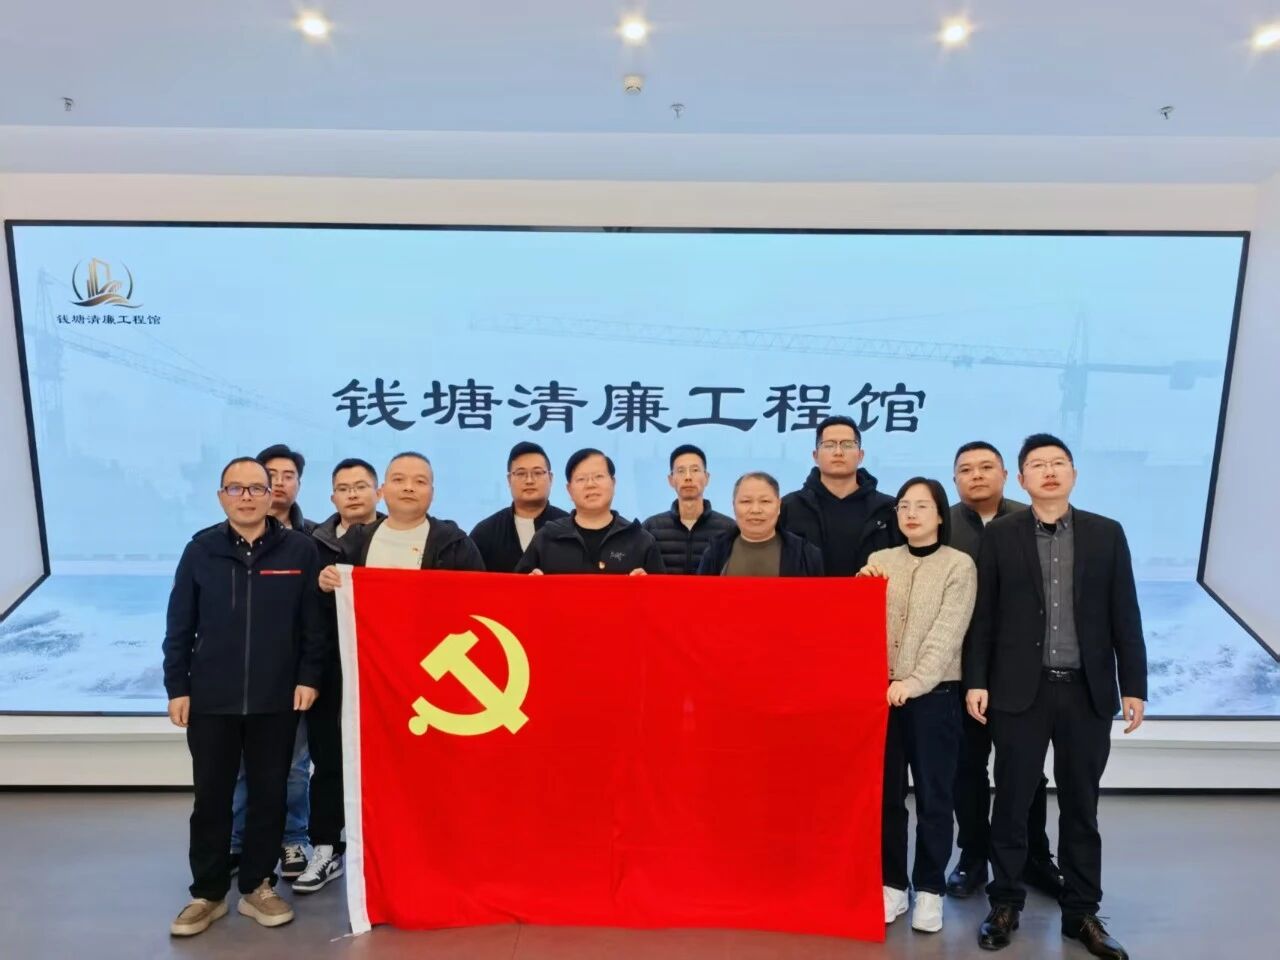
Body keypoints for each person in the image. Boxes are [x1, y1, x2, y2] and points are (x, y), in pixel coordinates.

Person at [965, 434, 1147, 959]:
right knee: (1012, 801)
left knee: (1081, 805)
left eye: (1058, 463)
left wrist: (1134, 685)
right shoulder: (1001, 536)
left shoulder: (1106, 533)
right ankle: (1005, 903)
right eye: (1038, 465)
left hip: (1087, 692)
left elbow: (1125, 613)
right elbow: (984, 615)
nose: (1049, 471)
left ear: (1073, 473)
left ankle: (1082, 913)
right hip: (1019, 692)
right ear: (1021, 479)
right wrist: (977, 679)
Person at [163, 457, 325, 936]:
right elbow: (179, 624)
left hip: (277, 699)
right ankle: (208, 893)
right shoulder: (201, 549)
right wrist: (177, 687)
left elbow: (313, 625)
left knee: (269, 796)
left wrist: (309, 677)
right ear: (222, 497)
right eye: (236, 488)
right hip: (211, 699)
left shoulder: (299, 550)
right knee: (211, 798)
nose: (247, 497)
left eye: (257, 488)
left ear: (272, 495)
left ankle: (258, 886)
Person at [859, 477, 975, 935]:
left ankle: (930, 889)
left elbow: (948, 634)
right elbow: (859, 622)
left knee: (934, 796)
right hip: (880, 698)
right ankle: (892, 885)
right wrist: (860, 587)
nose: (910, 514)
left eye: (922, 506)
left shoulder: (958, 565)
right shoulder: (881, 561)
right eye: (904, 506)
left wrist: (913, 682)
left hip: (935, 697)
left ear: (940, 515)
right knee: (887, 797)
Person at [947, 442, 1062, 900]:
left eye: (985, 467)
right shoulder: (944, 524)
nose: (976, 475)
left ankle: (1035, 856)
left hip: (1023, 670)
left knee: (1028, 772)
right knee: (967, 768)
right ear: (955, 480)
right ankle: (973, 855)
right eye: (966, 470)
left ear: (1006, 475)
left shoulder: (1031, 519)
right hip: (959, 670)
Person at [292, 457, 383, 895]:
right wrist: (318, 585)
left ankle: (386, 850)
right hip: (331, 671)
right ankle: (327, 847)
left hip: (386, 672)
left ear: (378, 492)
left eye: (361, 486)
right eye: (344, 488)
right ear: (332, 497)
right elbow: (299, 610)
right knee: (328, 762)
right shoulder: (312, 545)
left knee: (387, 763)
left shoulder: (398, 537)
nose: (353, 494)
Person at [226, 444, 315, 882]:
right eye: (271, 476)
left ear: (299, 484)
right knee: (242, 767)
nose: (279, 483)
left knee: (295, 766)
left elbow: (314, 617)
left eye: (288, 476)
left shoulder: (314, 540)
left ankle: (294, 838)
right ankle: (238, 841)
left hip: (293, 678)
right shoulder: (218, 542)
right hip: (238, 680)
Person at [319, 451, 485, 576]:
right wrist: (326, 586)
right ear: (383, 490)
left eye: (420, 481)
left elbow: (478, 599)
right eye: (398, 480)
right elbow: (339, 602)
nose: (408, 487)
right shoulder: (356, 541)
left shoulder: (456, 544)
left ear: (432, 493)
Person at [780, 415, 900, 575]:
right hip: (805, 592)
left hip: (873, 592)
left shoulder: (887, 509)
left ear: (860, 455)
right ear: (815, 456)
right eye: (829, 445)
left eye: (847, 445)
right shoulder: (789, 507)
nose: (838, 452)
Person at [515, 448, 664, 574]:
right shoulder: (547, 538)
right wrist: (530, 585)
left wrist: (648, 586)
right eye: (581, 479)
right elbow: (515, 591)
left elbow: (663, 595)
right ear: (569, 490)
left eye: (598, 476)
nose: (590, 484)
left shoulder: (639, 540)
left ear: (613, 483)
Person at [696, 471, 823, 576]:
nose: (755, 510)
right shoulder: (715, 553)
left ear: (778, 506)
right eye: (746, 501)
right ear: (733, 506)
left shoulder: (806, 554)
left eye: (765, 501)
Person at [470, 441, 569, 573]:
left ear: (550, 478)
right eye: (521, 473)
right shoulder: (485, 532)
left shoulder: (570, 529)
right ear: (509, 479)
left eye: (537, 473)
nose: (529, 480)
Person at [643, 443, 735, 573]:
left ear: (707, 477)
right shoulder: (651, 528)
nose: (688, 477)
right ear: (671, 480)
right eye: (681, 471)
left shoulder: (728, 529)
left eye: (695, 470)